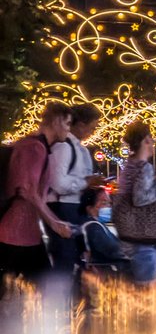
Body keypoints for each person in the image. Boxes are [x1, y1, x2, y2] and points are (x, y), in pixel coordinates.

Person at [0, 101, 74, 296]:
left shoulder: (34, 146)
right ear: (57, 121)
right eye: (67, 123)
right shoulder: (34, 148)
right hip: (16, 234)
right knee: (40, 290)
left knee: (31, 290)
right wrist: (55, 223)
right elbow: (27, 190)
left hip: (25, 235)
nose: (68, 129)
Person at [45, 102, 104, 275]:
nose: (93, 132)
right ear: (80, 125)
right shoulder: (63, 147)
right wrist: (86, 183)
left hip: (74, 208)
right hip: (62, 208)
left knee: (75, 258)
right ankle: (58, 298)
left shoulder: (81, 149)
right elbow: (57, 183)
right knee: (64, 258)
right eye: (91, 127)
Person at [117, 122, 156, 284]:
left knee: (139, 296)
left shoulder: (129, 166)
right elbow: (140, 199)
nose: (153, 143)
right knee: (148, 298)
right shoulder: (143, 167)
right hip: (143, 239)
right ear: (146, 140)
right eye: (151, 139)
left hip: (131, 236)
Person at [80, 186, 130, 273]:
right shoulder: (93, 227)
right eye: (104, 202)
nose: (108, 206)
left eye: (109, 203)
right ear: (89, 208)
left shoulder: (99, 225)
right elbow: (111, 250)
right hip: (110, 275)